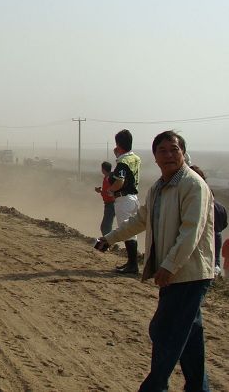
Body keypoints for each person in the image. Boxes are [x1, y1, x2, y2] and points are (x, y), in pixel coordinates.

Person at [95, 131, 214, 391]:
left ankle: (154, 387)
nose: (169, 155)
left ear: (183, 153)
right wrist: (110, 238)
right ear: (155, 156)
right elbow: (140, 220)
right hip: (176, 272)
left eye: (175, 149)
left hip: (189, 273)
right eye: (163, 150)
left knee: (165, 332)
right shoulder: (159, 187)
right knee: (189, 335)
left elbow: (190, 232)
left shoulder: (193, 185)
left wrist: (169, 265)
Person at [108, 129, 141, 274]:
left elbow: (120, 181)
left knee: (126, 231)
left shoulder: (122, 161)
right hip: (133, 198)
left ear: (118, 144)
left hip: (123, 198)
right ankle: (131, 263)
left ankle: (132, 265)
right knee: (131, 230)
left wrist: (111, 190)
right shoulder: (135, 158)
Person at [189, 165, 227, 277]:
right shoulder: (220, 207)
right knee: (215, 260)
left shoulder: (199, 202)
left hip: (203, 235)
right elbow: (224, 223)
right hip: (217, 234)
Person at [95, 161, 116, 236]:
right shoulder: (107, 178)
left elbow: (110, 192)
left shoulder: (110, 178)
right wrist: (100, 191)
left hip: (111, 204)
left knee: (105, 227)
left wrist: (102, 191)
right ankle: (109, 242)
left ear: (103, 169)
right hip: (109, 204)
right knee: (106, 226)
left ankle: (109, 243)